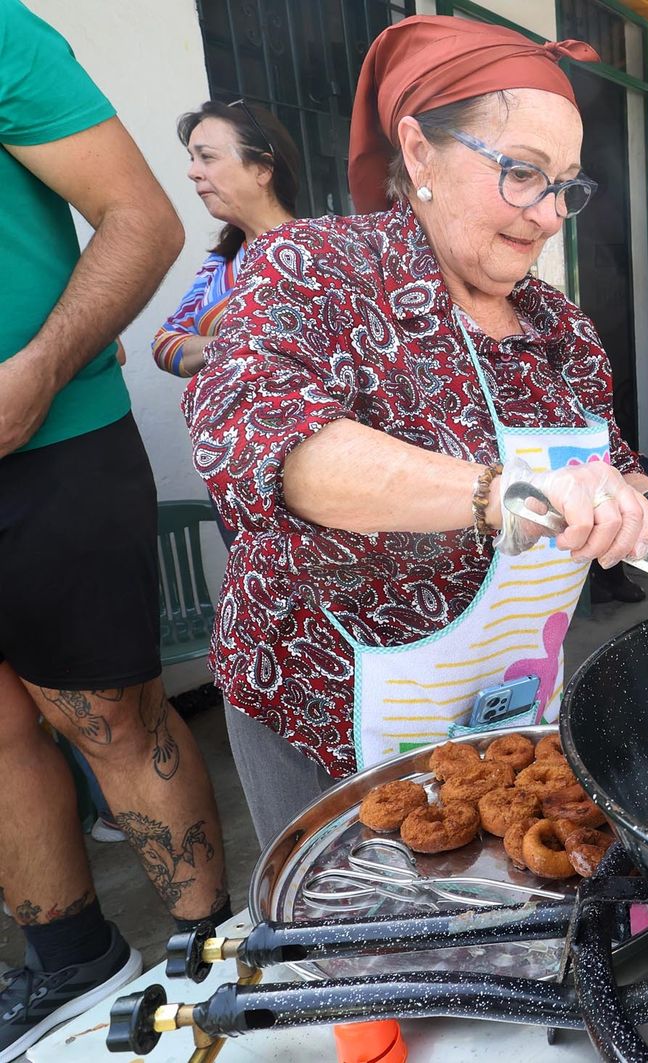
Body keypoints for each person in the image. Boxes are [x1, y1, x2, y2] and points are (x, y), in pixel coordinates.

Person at [184, 15, 648, 848]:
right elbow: (269, 446)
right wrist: (501, 494)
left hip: (514, 710)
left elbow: (606, 468)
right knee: (360, 958)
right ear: (418, 153)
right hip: (331, 713)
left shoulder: (560, 328)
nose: (551, 215)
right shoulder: (314, 271)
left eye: (566, 185)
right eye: (522, 174)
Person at [0, 4, 231, 1056]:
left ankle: (208, 952)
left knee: (110, 721)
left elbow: (143, 219)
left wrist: (38, 370)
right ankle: (73, 959)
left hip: (48, 442)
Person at [151, 100, 301, 377]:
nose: (192, 172)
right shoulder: (220, 264)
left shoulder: (320, 251)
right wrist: (228, 346)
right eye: (192, 159)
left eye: (207, 157)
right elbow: (164, 343)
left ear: (263, 169)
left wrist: (208, 347)